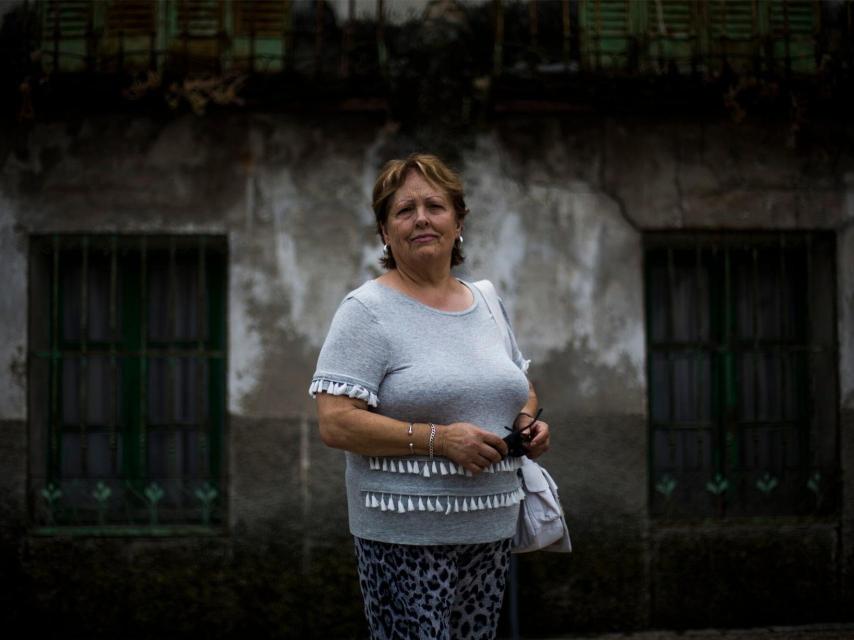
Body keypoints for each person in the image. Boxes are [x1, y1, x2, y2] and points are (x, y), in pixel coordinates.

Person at [309, 153, 550, 640]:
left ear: (458, 220)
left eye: (435, 206)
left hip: (490, 529)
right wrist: (440, 440)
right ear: (384, 232)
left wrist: (528, 423)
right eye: (403, 210)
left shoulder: (486, 299)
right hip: (404, 536)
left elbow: (518, 385)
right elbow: (335, 422)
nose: (421, 218)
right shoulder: (367, 311)